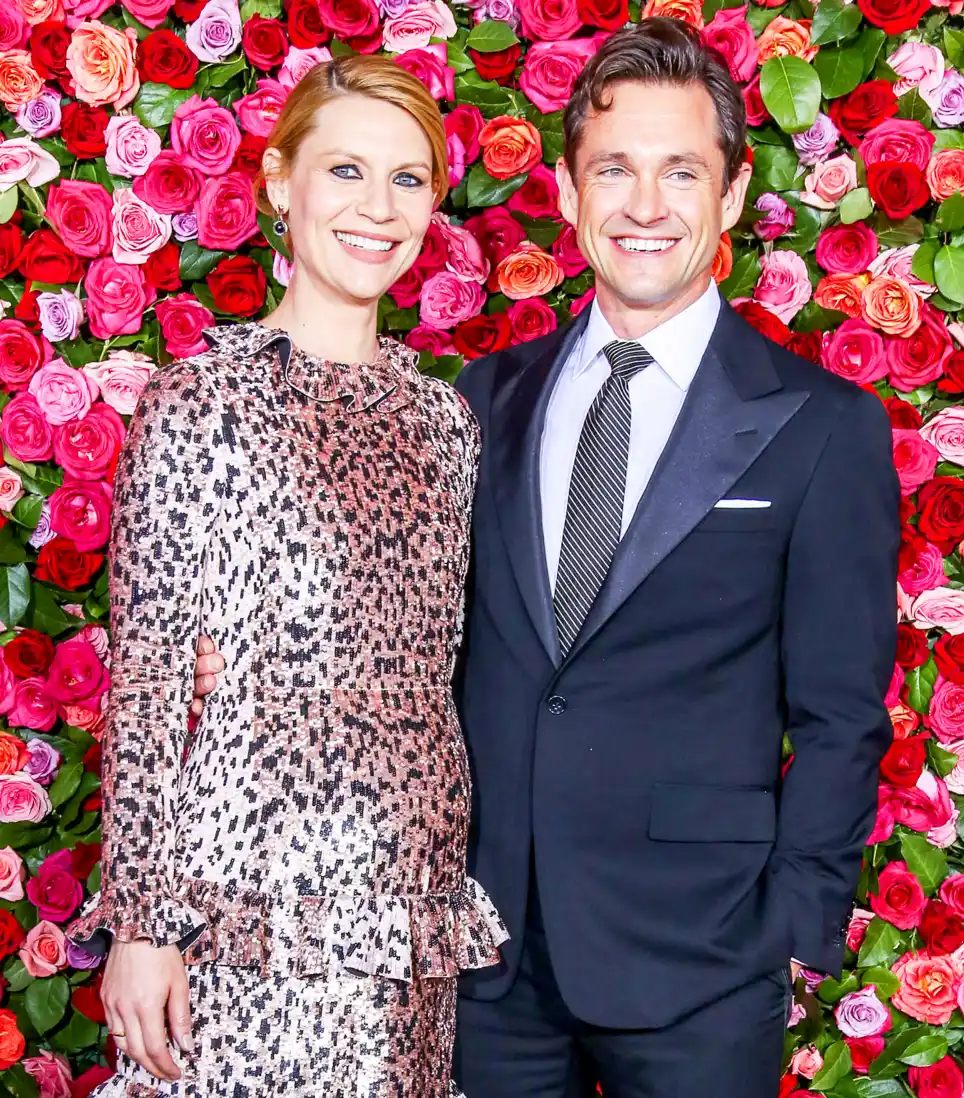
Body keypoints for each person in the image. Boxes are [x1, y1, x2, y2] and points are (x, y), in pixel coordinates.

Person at [194, 18, 899, 1098]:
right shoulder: (485, 399)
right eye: (613, 169)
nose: (645, 206)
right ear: (569, 192)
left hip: (703, 963)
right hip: (487, 957)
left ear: (732, 188)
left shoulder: (818, 425)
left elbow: (843, 712)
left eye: (680, 171)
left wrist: (795, 931)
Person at [67, 55, 507, 1098]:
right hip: (239, 888)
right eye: (346, 171)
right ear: (278, 181)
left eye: (407, 180)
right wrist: (142, 924)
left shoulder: (444, 423)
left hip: (409, 883)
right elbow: (149, 682)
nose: (377, 207)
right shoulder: (199, 404)